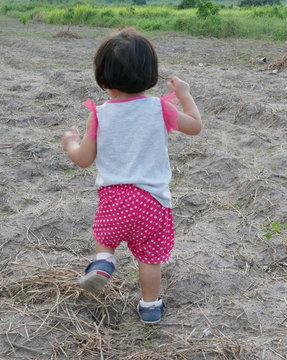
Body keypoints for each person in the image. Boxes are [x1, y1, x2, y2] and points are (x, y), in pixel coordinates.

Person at [61, 27, 202, 325]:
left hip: (114, 199)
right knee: (149, 258)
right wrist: (184, 94)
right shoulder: (160, 108)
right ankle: (150, 307)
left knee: (106, 237)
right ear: (151, 73)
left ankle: (102, 262)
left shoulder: (99, 114)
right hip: (152, 201)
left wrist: (69, 143)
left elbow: (84, 159)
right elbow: (194, 126)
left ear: (102, 76)